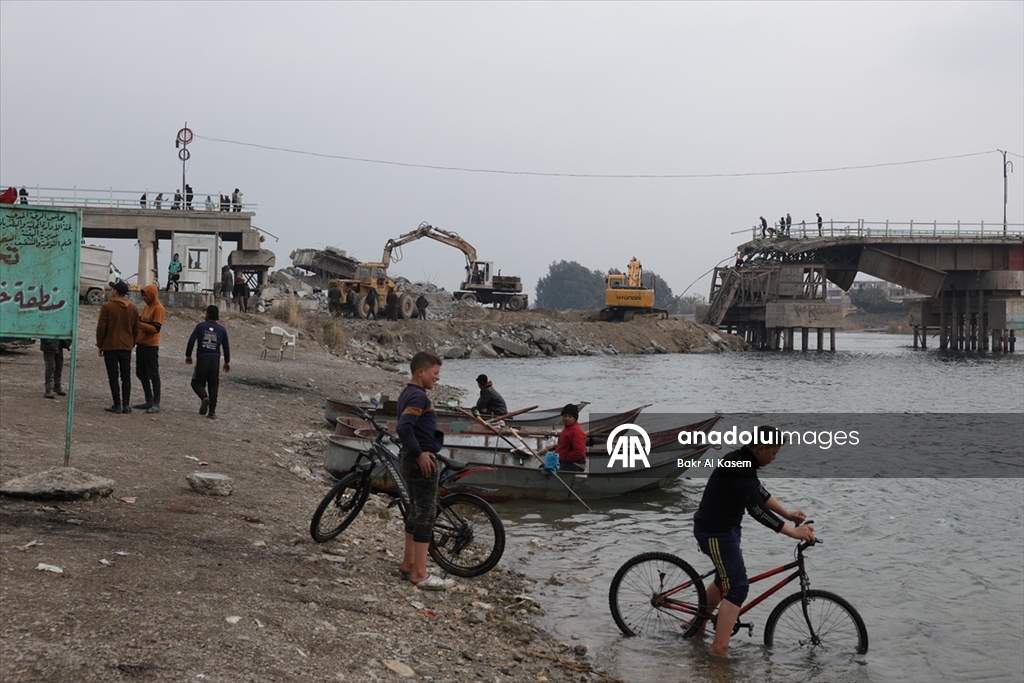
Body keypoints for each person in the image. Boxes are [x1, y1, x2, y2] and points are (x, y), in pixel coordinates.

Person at [691, 425, 815, 657]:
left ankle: (696, 626)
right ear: (760, 449)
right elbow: (756, 509)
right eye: (774, 453)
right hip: (715, 533)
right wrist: (792, 532)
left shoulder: (744, 462)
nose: (775, 457)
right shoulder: (738, 464)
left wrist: (787, 514)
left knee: (723, 579)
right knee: (738, 587)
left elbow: (759, 492)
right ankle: (719, 649)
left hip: (726, 530)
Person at [396, 351, 454, 591]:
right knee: (426, 514)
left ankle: (409, 563)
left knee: (415, 511)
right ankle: (420, 573)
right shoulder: (418, 397)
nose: (438, 378)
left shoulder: (408, 393)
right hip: (419, 461)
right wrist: (420, 454)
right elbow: (404, 428)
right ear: (421, 372)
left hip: (408, 459)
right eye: (435, 373)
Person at [96, 280, 140, 414]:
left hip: (110, 345)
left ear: (115, 291)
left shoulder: (107, 307)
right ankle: (126, 405)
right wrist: (132, 342)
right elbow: (136, 328)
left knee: (113, 376)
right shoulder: (133, 308)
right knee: (126, 377)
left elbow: (101, 328)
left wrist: (100, 344)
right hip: (126, 346)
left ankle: (117, 404)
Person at [186, 306, 231, 420]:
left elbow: (191, 340)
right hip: (215, 360)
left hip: (203, 359)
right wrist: (227, 361)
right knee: (213, 385)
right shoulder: (222, 330)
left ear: (207, 314)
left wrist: (188, 355)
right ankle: (212, 412)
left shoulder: (200, 326)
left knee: (196, 383)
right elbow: (226, 347)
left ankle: (204, 397)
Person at [133, 284, 165, 413]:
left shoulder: (158, 309)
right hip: (141, 344)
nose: (144, 297)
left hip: (151, 345)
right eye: (143, 295)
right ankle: (149, 399)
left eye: (146, 295)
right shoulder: (147, 307)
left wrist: (140, 324)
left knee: (153, 374)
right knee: (141, 373)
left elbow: (156, 328)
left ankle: (156, 402)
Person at [539, 404, 586, 472]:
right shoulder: (567, 429)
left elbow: (579, 452)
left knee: (546, 470)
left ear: (575, 418)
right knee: (542, 466)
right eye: (565, 416)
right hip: (564, 461)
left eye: (570, 416)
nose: (567, 419)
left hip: (575, 464)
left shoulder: (577, 432)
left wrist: (566, 458)